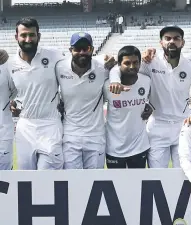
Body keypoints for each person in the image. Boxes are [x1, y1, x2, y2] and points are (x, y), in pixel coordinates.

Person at [8, 17, 115, 170]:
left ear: (39, 36)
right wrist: (13, 102)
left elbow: (84, 60)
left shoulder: (54, 56)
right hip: (25, 125)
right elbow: (11, 91)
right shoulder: (10, 64)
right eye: (24, 35)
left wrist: (109, 60)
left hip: (51, 124)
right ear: (16, 37)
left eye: (32, 35)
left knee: (49, 175)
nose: (28, 39)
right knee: (26, 177)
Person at [109, 25, 191, 168]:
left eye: (176, 38)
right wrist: (115, 80)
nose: (172, 41)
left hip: (182, 127)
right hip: (157, 126)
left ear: (182, 43)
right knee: (157, 176)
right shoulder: (150, 62)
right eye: (167, 38)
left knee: (183, 173)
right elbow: (122, 67)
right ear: (161, 43)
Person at [56, 32, 109, 169]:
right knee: (73, 183)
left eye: (86, 48)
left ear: (92, 49)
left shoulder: (103, 68)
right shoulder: (59, 68)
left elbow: (120, 68)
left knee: (95, 182)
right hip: (70, 135)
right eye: (77, 49)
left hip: (96, 136)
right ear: (70, 50)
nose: (82, 52)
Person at [105, 46, 151, 169]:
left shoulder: (146, 81)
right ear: (119, 64)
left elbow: (158, 98)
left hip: (139, 147)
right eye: (127, 63)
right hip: (114, 148)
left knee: (138, 187)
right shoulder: (107, 85)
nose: (132, 66)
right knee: (115, 186)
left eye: (135, 62)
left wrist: (151, 107)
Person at [0, 61, 17, 170]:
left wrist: (9, 102)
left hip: (3, 130)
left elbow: (15, 91)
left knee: (5, 175)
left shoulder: (5, 69)